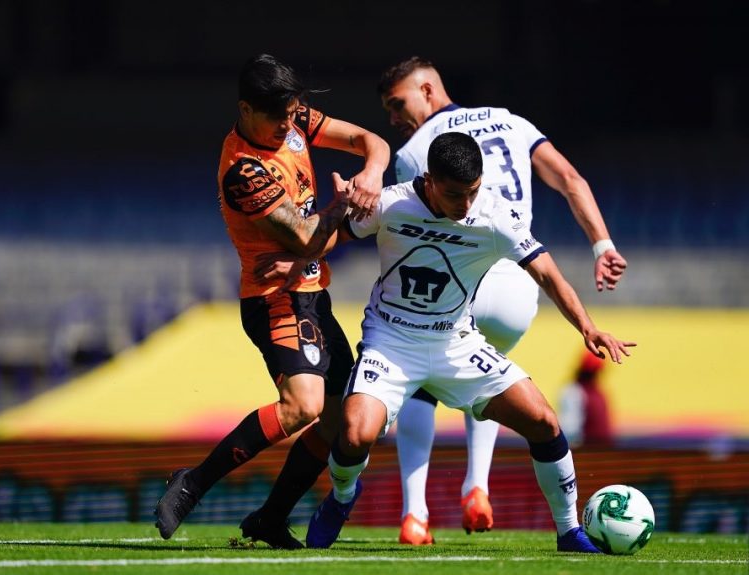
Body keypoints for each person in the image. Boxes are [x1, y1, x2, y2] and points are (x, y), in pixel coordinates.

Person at [304, 132, 635, 552]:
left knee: (544, 422)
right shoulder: (391, 203)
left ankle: (569, 532)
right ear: (429, 181)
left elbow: (547, 274)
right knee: (354, 435)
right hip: (391, 342)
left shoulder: (495, 215)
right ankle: (342, 498)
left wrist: (588, 327)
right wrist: (333, 215)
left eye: (472, 192)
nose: (465, 204)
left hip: (456, 343)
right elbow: (331, 239)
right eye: (454, 194)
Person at [376, 56, 628, 544]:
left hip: (461, 280)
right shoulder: (512, 121)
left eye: (396, 103)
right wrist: (602, 245)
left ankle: (415, 513)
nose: (393, 116)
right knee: (488, 379)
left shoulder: (418, 150)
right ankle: (477, 485)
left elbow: (409, 233)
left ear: (426, 90)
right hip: (518, 290)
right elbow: (571, 180)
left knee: (420, 383)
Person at [153, 53, 390, 548]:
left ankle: (270, 517)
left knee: (338, 421)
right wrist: (341, 207)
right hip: (274, 299)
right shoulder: (243, 170)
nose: (289, 124)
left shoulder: (293, 116)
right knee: (303, 405)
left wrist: (371, 173)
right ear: (245, 109)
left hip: (312, 295)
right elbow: (306, 236)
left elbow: (372, 141)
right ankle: (193, 483)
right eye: (278, 116)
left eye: (292, 113)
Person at [559, 349, 613, 447]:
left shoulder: (598, 392)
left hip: (603, 449)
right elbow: (570, 429)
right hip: (585, 451)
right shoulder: (573, 392)